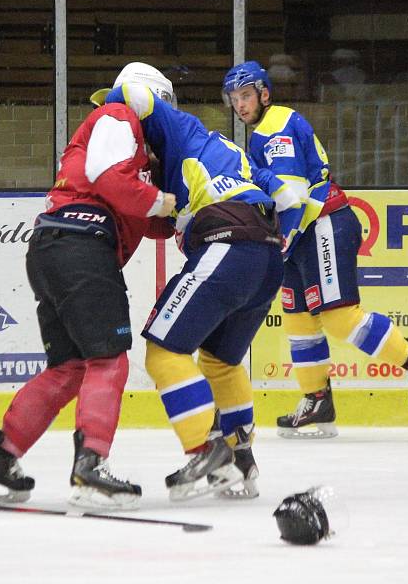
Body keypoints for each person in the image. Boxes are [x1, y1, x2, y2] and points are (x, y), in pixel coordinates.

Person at [0, 87, 176, 510]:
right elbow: (112, 182)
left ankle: (0, 459)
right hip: (84, 247)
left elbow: (154, 224)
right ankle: (91, 466)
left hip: (50, 247)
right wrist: (161, 199)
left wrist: (166, 199)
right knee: (109, 359)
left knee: (69, 368)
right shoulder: (120, 118)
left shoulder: (120, 151)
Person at [221, 60, 408, 439]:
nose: (240, 105)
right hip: (301, 234)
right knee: (298, 319)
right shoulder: (264, 130)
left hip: (320, 223)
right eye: (234, 98)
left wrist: (283, 239)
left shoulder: (275, 126)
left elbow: (292, 196)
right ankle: (317, 401)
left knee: (339, 316)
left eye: (246, 95)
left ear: (264, 93)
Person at [101, 63, 284, 501]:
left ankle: (207, 449)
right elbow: (282, 197)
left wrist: (108, 114)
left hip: (226, 245)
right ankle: (242, 464)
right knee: (221, 363)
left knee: (164, 352)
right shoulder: (210, 151)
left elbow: (130, 94)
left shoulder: (175, 125)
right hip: (265, 255)